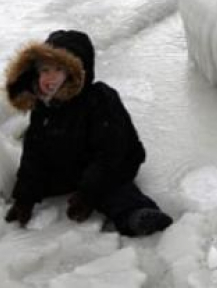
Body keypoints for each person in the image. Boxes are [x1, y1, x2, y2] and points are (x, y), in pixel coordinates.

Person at [4, 30, 172, 237]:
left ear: (76, 71)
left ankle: (136, 215)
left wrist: (87, 194)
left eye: (58, 69)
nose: (49, 77)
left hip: (112, 163)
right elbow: (34, 154)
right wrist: (25, 198)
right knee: (39, 177)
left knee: (113, 189)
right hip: (71, 164)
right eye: (45, 70)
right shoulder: (43, 107)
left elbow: (110, 153)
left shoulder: (99, 100)